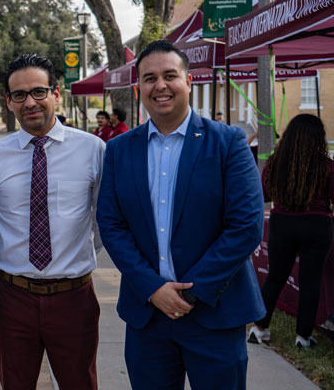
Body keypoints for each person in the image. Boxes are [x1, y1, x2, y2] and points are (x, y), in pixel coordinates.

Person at [96, 40, 265, 390]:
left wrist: (191, 292)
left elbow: (246, 227)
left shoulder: (228, 143)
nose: (160, 85)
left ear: (188, 81)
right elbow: (111, 226)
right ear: (138, 88)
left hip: (215, 313)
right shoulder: (118, 150)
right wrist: (153, 288)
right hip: (148, 318)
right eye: (149, 78)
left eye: (170, 76)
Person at [0, 54, 105, 389]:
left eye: (38, 92)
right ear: (9, 102)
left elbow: (102, 220)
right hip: (13, 298)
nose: (30, 102)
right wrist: (16, 254)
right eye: (19, 95)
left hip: (74, 298)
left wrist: (74, 254)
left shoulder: (93, 150)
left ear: (56, 93)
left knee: (80, 384)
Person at [249, 114, 334, 349]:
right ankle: (303, 337)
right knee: (310, 281)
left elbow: (264, 195)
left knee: (275, 277)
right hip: (317, 225)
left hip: (281, 223)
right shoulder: (327, 166)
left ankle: (258, 329)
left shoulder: (275, 163)